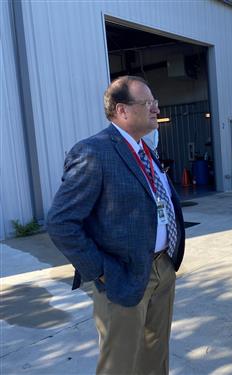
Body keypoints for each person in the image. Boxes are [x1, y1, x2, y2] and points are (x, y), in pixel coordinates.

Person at [47, 76, 185, 374]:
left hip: (162, 267)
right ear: (122, 111)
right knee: (120, 364)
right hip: (122, 275)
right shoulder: (93, 152)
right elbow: (61, 222)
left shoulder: (145, 151)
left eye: (155, 102)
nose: (156, 108)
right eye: (148, 103)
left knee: (155, 354)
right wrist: (100, 271)